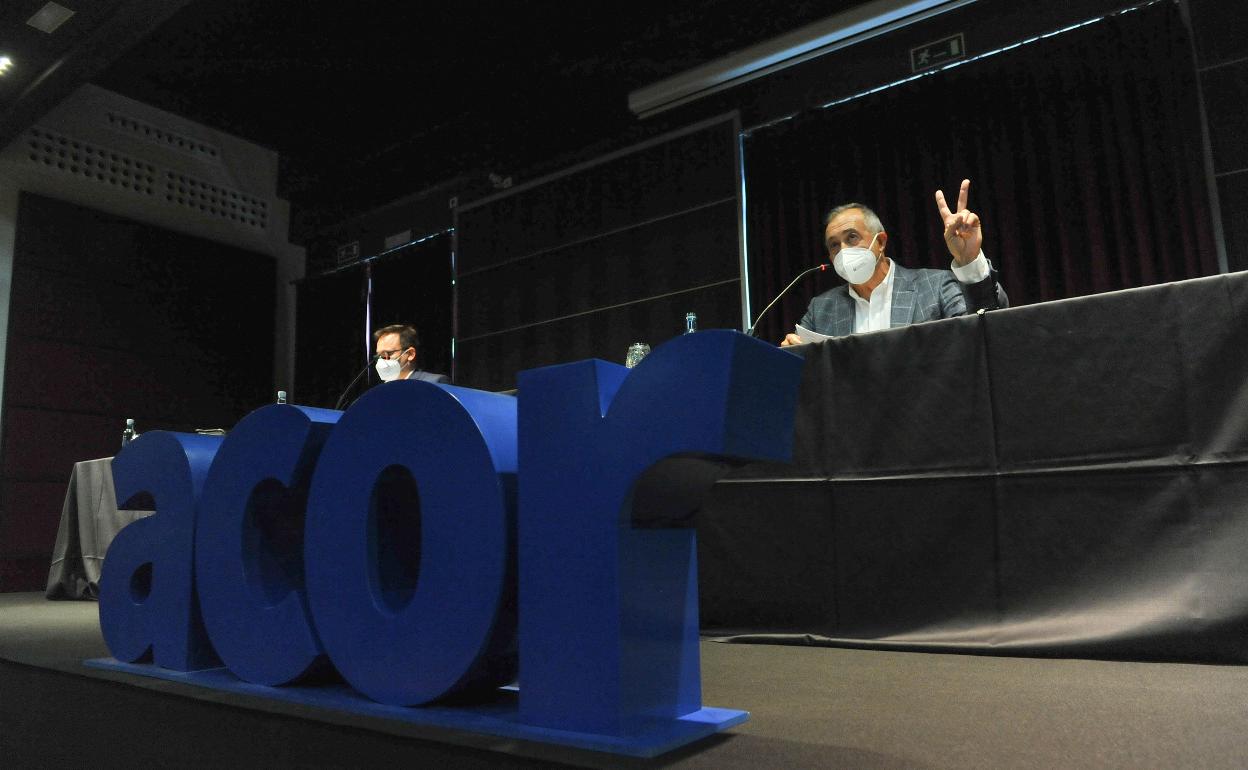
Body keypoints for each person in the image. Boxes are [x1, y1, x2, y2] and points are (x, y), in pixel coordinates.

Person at [781, 179, 1007, 346]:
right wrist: (794, 353)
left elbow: (985, 328)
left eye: (851, 238)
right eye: (834, 245)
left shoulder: (935, 287)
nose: (843, 251)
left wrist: (968, 260)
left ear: (880, 242)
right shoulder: (821, 310)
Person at [373, 324, 449, 383]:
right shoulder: (381, 390)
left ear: (410, 354)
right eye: (379, 356)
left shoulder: (433, 382)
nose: (382, 360)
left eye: (388, 353)